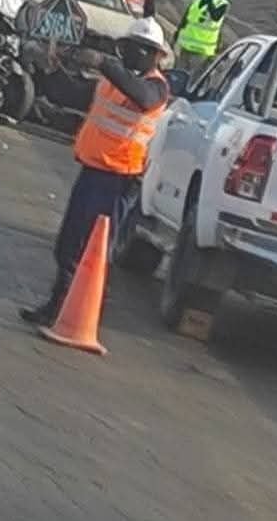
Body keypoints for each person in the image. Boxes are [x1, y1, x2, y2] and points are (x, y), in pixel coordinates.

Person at [20, 17, 171, 328]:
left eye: (141, 50)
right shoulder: (110, 84)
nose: (132, 54)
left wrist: (103, 63)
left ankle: (77, 314)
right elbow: (69, 94)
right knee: (68, 243)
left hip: (118, 179)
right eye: (130, 47)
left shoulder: (156, 87)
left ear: (155, 55)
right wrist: (47, 68)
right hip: (93, 171)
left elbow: (142, 97)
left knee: (92, 248)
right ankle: (57, 305)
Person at [174, 0, 230, 77]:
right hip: (186, 47)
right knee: (177, 76)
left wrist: (209, 1)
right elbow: (185, 20)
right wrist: (176, 36)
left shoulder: (222, 4)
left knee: (193, 81)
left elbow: (215, 16)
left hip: (202, 52)